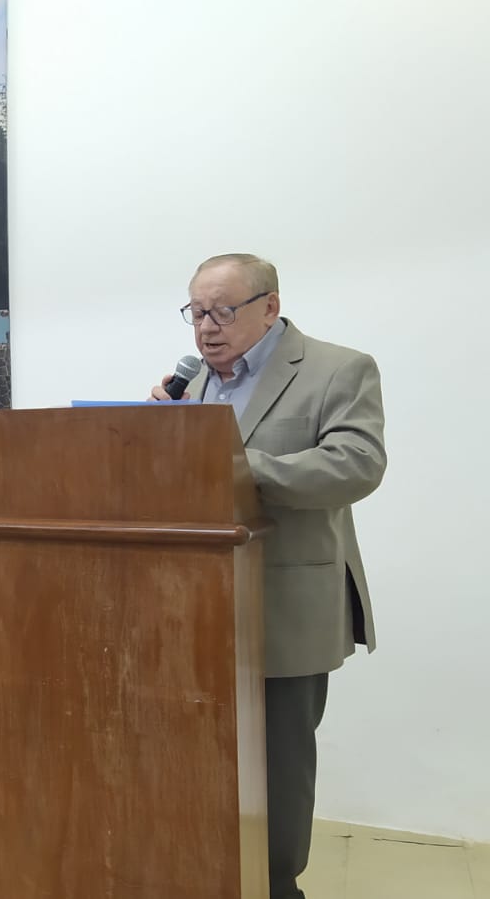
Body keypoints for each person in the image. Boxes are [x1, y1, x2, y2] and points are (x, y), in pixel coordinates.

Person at [150, 253, 386, 899]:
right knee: (209, 764)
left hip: (287, 605)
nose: (206, 327)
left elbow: (357, 463)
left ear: (270, 306)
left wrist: (235, 465)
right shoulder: (194, 383)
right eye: (196, 312)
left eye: (223, 311)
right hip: (198, 611)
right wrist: (160, 435)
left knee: (277, 769)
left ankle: (278, 886)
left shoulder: (339, 370)